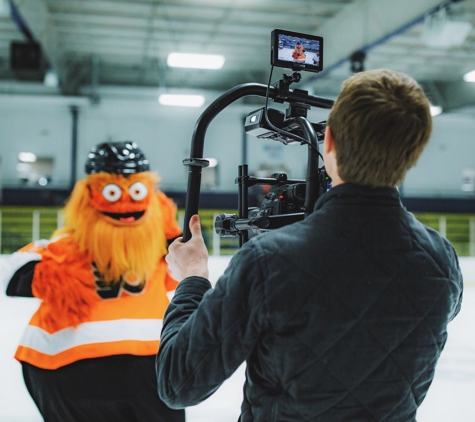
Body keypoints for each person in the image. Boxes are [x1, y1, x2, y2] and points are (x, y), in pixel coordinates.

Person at [157, 69, 463, 421]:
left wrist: (192, 279)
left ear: (328, 141)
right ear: (414, 152)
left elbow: (178, 382)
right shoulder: (441, 261)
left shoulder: (269, 261)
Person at [2, 141, 185, 422]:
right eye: (112, 192)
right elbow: (16, 274)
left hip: (122, 366)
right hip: (76, 365)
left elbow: (15, 273)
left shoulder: (155, 247)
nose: (126, 203)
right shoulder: (68, 247)